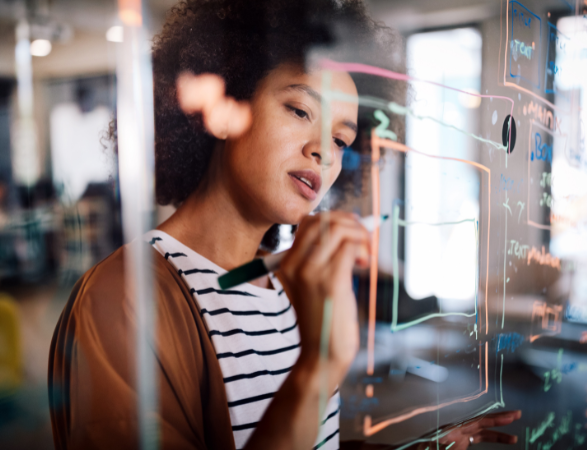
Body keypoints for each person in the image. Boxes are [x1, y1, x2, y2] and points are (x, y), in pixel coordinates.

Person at [48, 1, 521, 449]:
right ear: (224, 108)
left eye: (340, 139)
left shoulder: (287, 287)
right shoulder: (123, 298)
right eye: (299, 111)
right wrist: (316, 371)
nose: (323, 151)